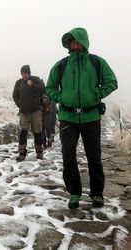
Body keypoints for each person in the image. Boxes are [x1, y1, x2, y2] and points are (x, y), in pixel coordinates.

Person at [46, 27, 118, 209]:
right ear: (68, 44)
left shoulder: (97, 62)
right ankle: (75, 193)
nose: (74, 45)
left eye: (77, 41)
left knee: (94, 157)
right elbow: (50, 88)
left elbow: (112, 82)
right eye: (72, 42)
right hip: (67, 117)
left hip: (91, 116)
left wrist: (96, 95)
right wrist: (61, 98)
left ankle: (97, 194)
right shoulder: (61, 65)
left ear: (84, 42)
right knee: (68, 155)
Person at [13, 65, 45, 161]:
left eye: (26, 73)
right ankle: (22, 153)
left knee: (37, 133)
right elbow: (15, 96)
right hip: (24, 113)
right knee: (23, 133)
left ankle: (39, 153)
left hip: (36, 112)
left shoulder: (35, 80)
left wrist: (32, 85)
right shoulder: (18, 83)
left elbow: (43, 90)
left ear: (29, 73)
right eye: (22, 73)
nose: (24, 75)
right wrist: (20, 105)